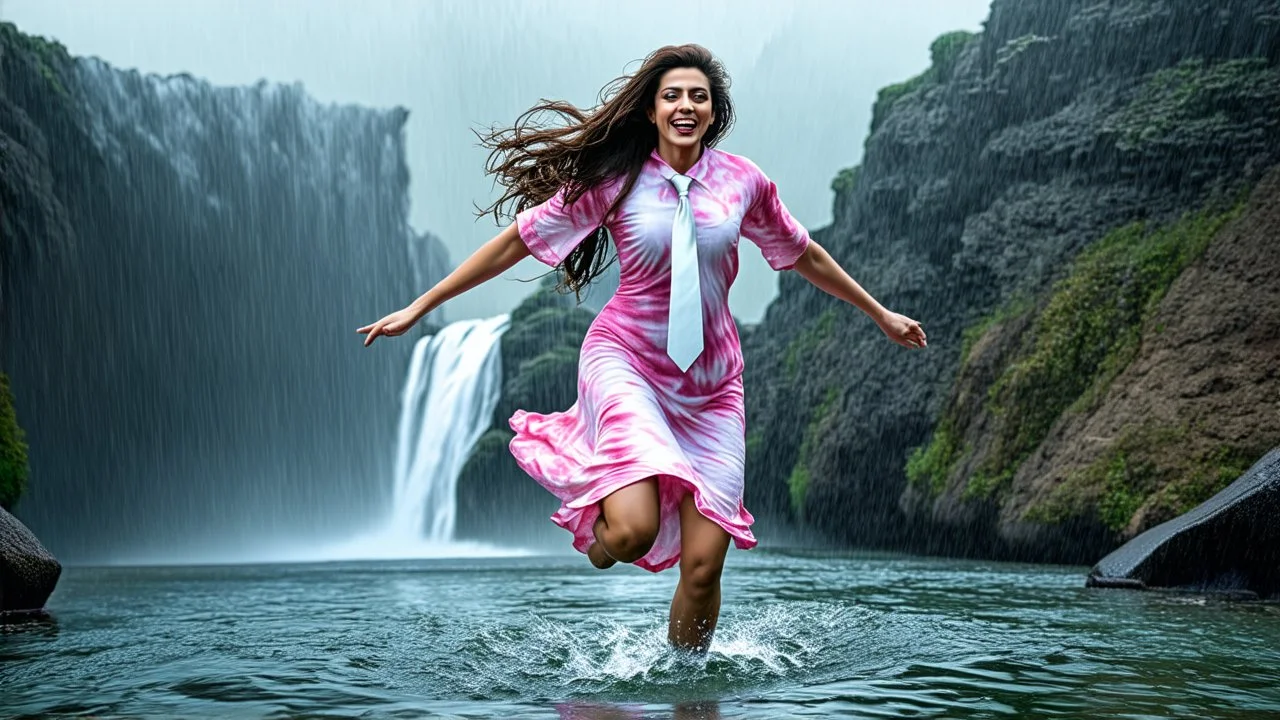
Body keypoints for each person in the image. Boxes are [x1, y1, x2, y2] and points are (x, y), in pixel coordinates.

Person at [358, 44, 926, 652]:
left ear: (714, 112)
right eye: (673, 96)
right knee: (631, 531)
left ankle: (687, 690)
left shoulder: (744, 183)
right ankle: (601, 542)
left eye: (698, 97)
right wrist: (421, 306)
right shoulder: (615, 181)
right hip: (625, 360)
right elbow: (516, 243)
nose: (686, 106)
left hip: (712, 388)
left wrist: (880, 313)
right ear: (652, 112)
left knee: (705, 569)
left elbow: (802, 252)